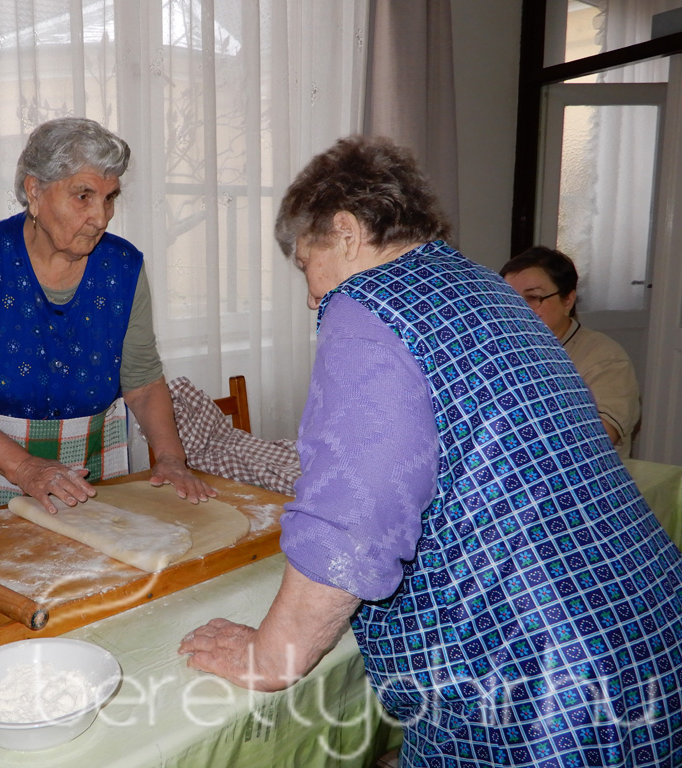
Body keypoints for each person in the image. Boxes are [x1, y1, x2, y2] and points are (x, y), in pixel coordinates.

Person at [179, 135, 682, 767]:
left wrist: (270, 655)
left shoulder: (366, 304)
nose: (311, 296)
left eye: (306, 263)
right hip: (643, 619)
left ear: (345, 233)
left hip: (538, 683)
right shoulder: (486, 287)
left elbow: (352, 519)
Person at [0, 117, 214, 516]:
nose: (101, 217)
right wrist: (25, 467)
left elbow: (142, 383)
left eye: (110, 198)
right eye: (83, 196)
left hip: (96, 468)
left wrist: (172, 459)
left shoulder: (123, 266)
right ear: (35, 191)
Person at [501, 245, 641, 460]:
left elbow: (599, 437)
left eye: (533, 297)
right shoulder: (499, 351)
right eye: (508, 298)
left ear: (568, 300)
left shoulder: (604, 357)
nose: (518, 309)